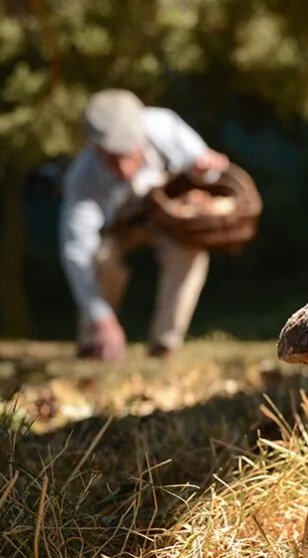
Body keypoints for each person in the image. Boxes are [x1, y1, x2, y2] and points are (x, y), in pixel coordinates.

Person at [59, 89, 230, 361]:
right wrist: (102, 318)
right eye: (113, 160)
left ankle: (165, 343)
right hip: (115, 228)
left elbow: (205, 168)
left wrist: (206, 169)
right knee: (100, 260)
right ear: (96, 149)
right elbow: (76, 254)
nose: (124, 170)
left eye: (129, 156)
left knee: (188, 253)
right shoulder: (82, 178)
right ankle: (96, 340)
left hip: (165, 218)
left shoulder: (163, 126)